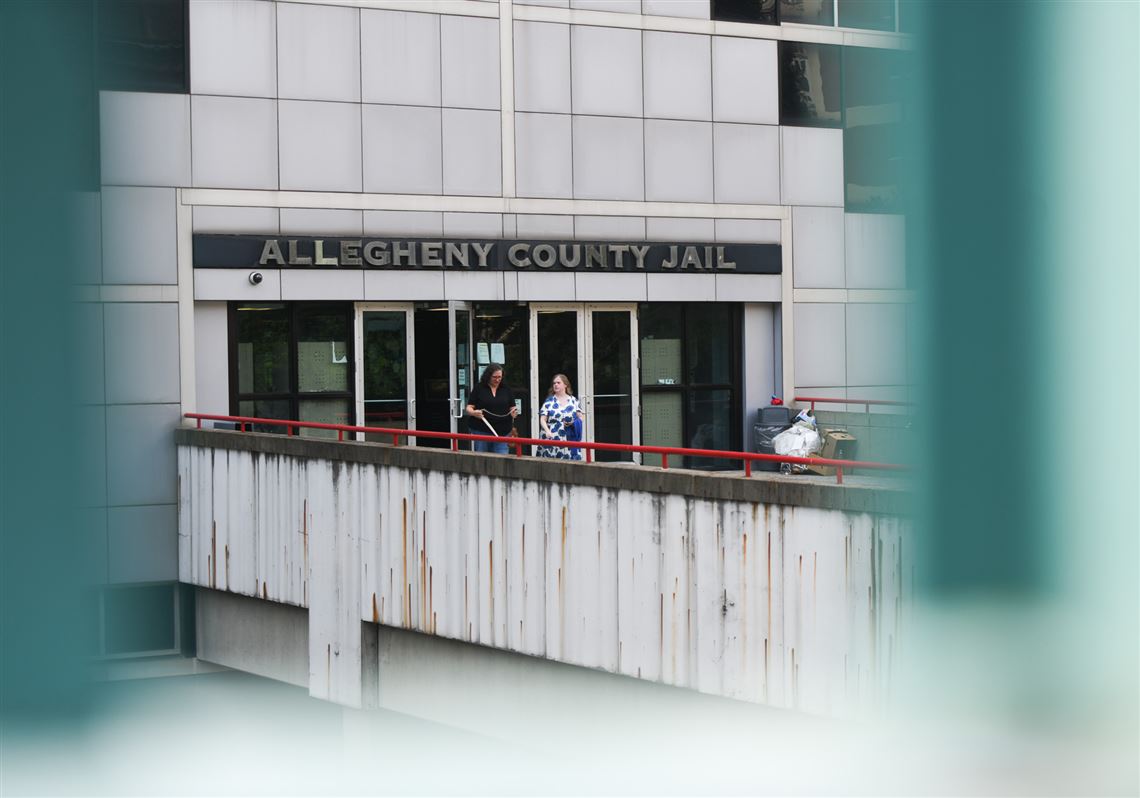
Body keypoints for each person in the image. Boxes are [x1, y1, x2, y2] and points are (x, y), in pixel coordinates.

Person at [465, 363, 518, 454]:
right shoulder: (479, 388)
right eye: (494, 377)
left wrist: (514, 412)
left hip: (503, 432)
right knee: (482, 459)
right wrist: (474, 413)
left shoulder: (506, 389)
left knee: (501, 459)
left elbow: (512, 407)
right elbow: (469, 407)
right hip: (482, 430)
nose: (497, 380)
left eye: (499, 377)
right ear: (488, 376)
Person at [537, 373, 584, 460]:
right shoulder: (549, 401)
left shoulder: (573, 400)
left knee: (570, 465)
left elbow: (581, 417)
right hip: (551, 437)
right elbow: (542, 419)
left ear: (565, 385)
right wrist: (547, 431)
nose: (555, 385)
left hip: (569, 437)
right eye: (554, 383)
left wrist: (574, 423)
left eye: (558, 383)